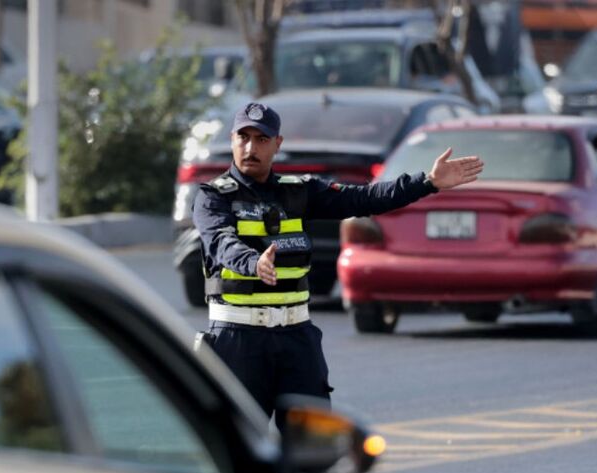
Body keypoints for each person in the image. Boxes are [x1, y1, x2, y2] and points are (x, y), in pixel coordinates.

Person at [192, 101, 483, 426]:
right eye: (243, 137)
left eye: (261, 139)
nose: (250, 147)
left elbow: (365, 198)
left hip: (296, 339)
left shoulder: (300, 191)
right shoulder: (213, 197)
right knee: (239, 456)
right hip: (237, 340)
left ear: (278, 144)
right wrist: (252, 262)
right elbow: (219, 241)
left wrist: (427, 182)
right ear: (232, 139)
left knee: (311, 448)